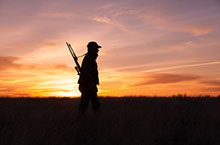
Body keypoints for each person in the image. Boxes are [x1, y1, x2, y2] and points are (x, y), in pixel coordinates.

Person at [78, 41, 101, 113]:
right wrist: (91, 83)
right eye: (96, 48)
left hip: (89, 84)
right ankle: (82, 119)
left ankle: (82, 118)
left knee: (88, 103)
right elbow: (88, 73)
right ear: (91, 49)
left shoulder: (90, 59)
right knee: (91, 103)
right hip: (88, 85)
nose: (98, 50)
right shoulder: (89, 59)